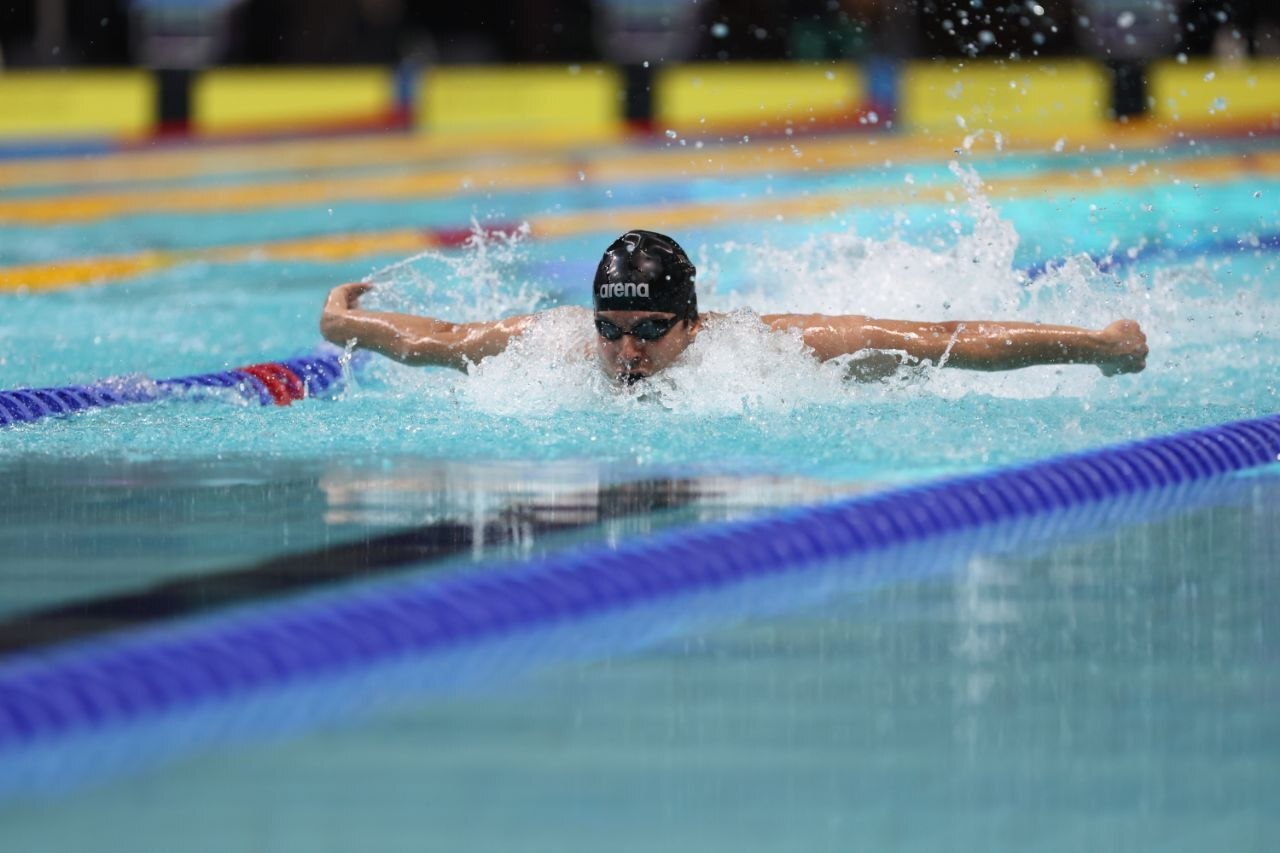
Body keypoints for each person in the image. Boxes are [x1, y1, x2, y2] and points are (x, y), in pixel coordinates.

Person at [320, 229, 1148, 385]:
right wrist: (341, 318)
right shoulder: (559, 349)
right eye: (609, 328)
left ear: (691, 322)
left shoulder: (770, 351)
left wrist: (1101, 345)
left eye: (649, 331)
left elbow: (944, 339)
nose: (625, 353)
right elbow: (437, 341)